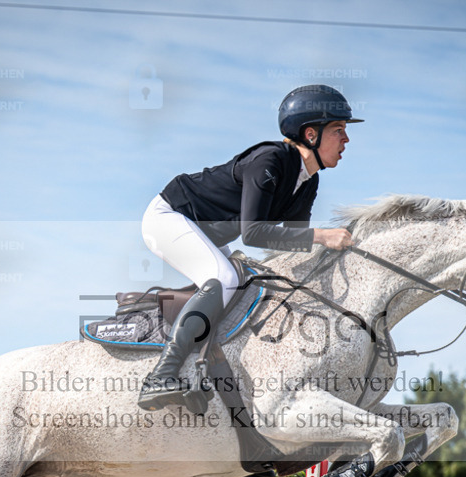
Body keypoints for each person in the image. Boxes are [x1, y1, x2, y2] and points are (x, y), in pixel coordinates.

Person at [137, 84, 362, 411]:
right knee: (224, 278)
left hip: (205, 232)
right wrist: (322, 236)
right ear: (311, 134)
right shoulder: (270, 159)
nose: (346, 140)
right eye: (338, 130)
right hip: (169, 217)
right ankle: (161, 375)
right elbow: (254, 234)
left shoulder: (308, 180)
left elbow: (291, 243)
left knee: (245, 283)